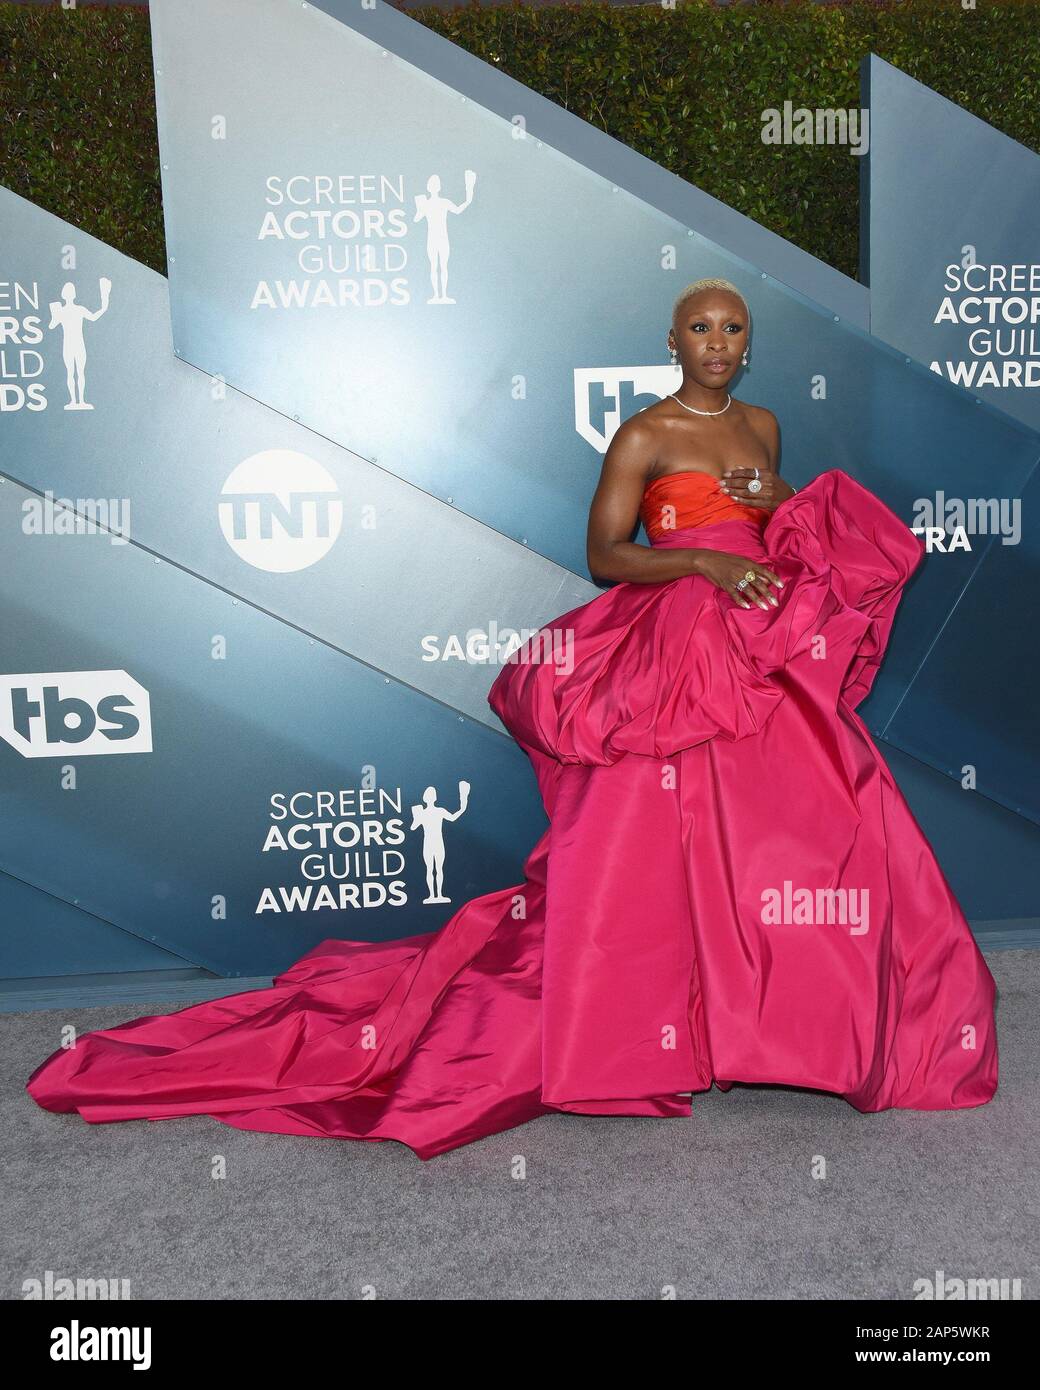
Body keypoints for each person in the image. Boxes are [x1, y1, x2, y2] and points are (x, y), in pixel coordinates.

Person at [26, 279, 999, 1160]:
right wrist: (703, 561)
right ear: (672, 340)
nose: (715, 341)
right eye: (698, 327)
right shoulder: (643, 435)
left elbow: (778, 528)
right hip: (670, 653)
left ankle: (790, 1029)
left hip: (755, 658)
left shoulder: (765, 428)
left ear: (747, 346)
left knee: (806, 840)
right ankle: (653, 1029)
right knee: (647, 856)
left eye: (731, 328)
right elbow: (607, 554)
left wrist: (771, 500)